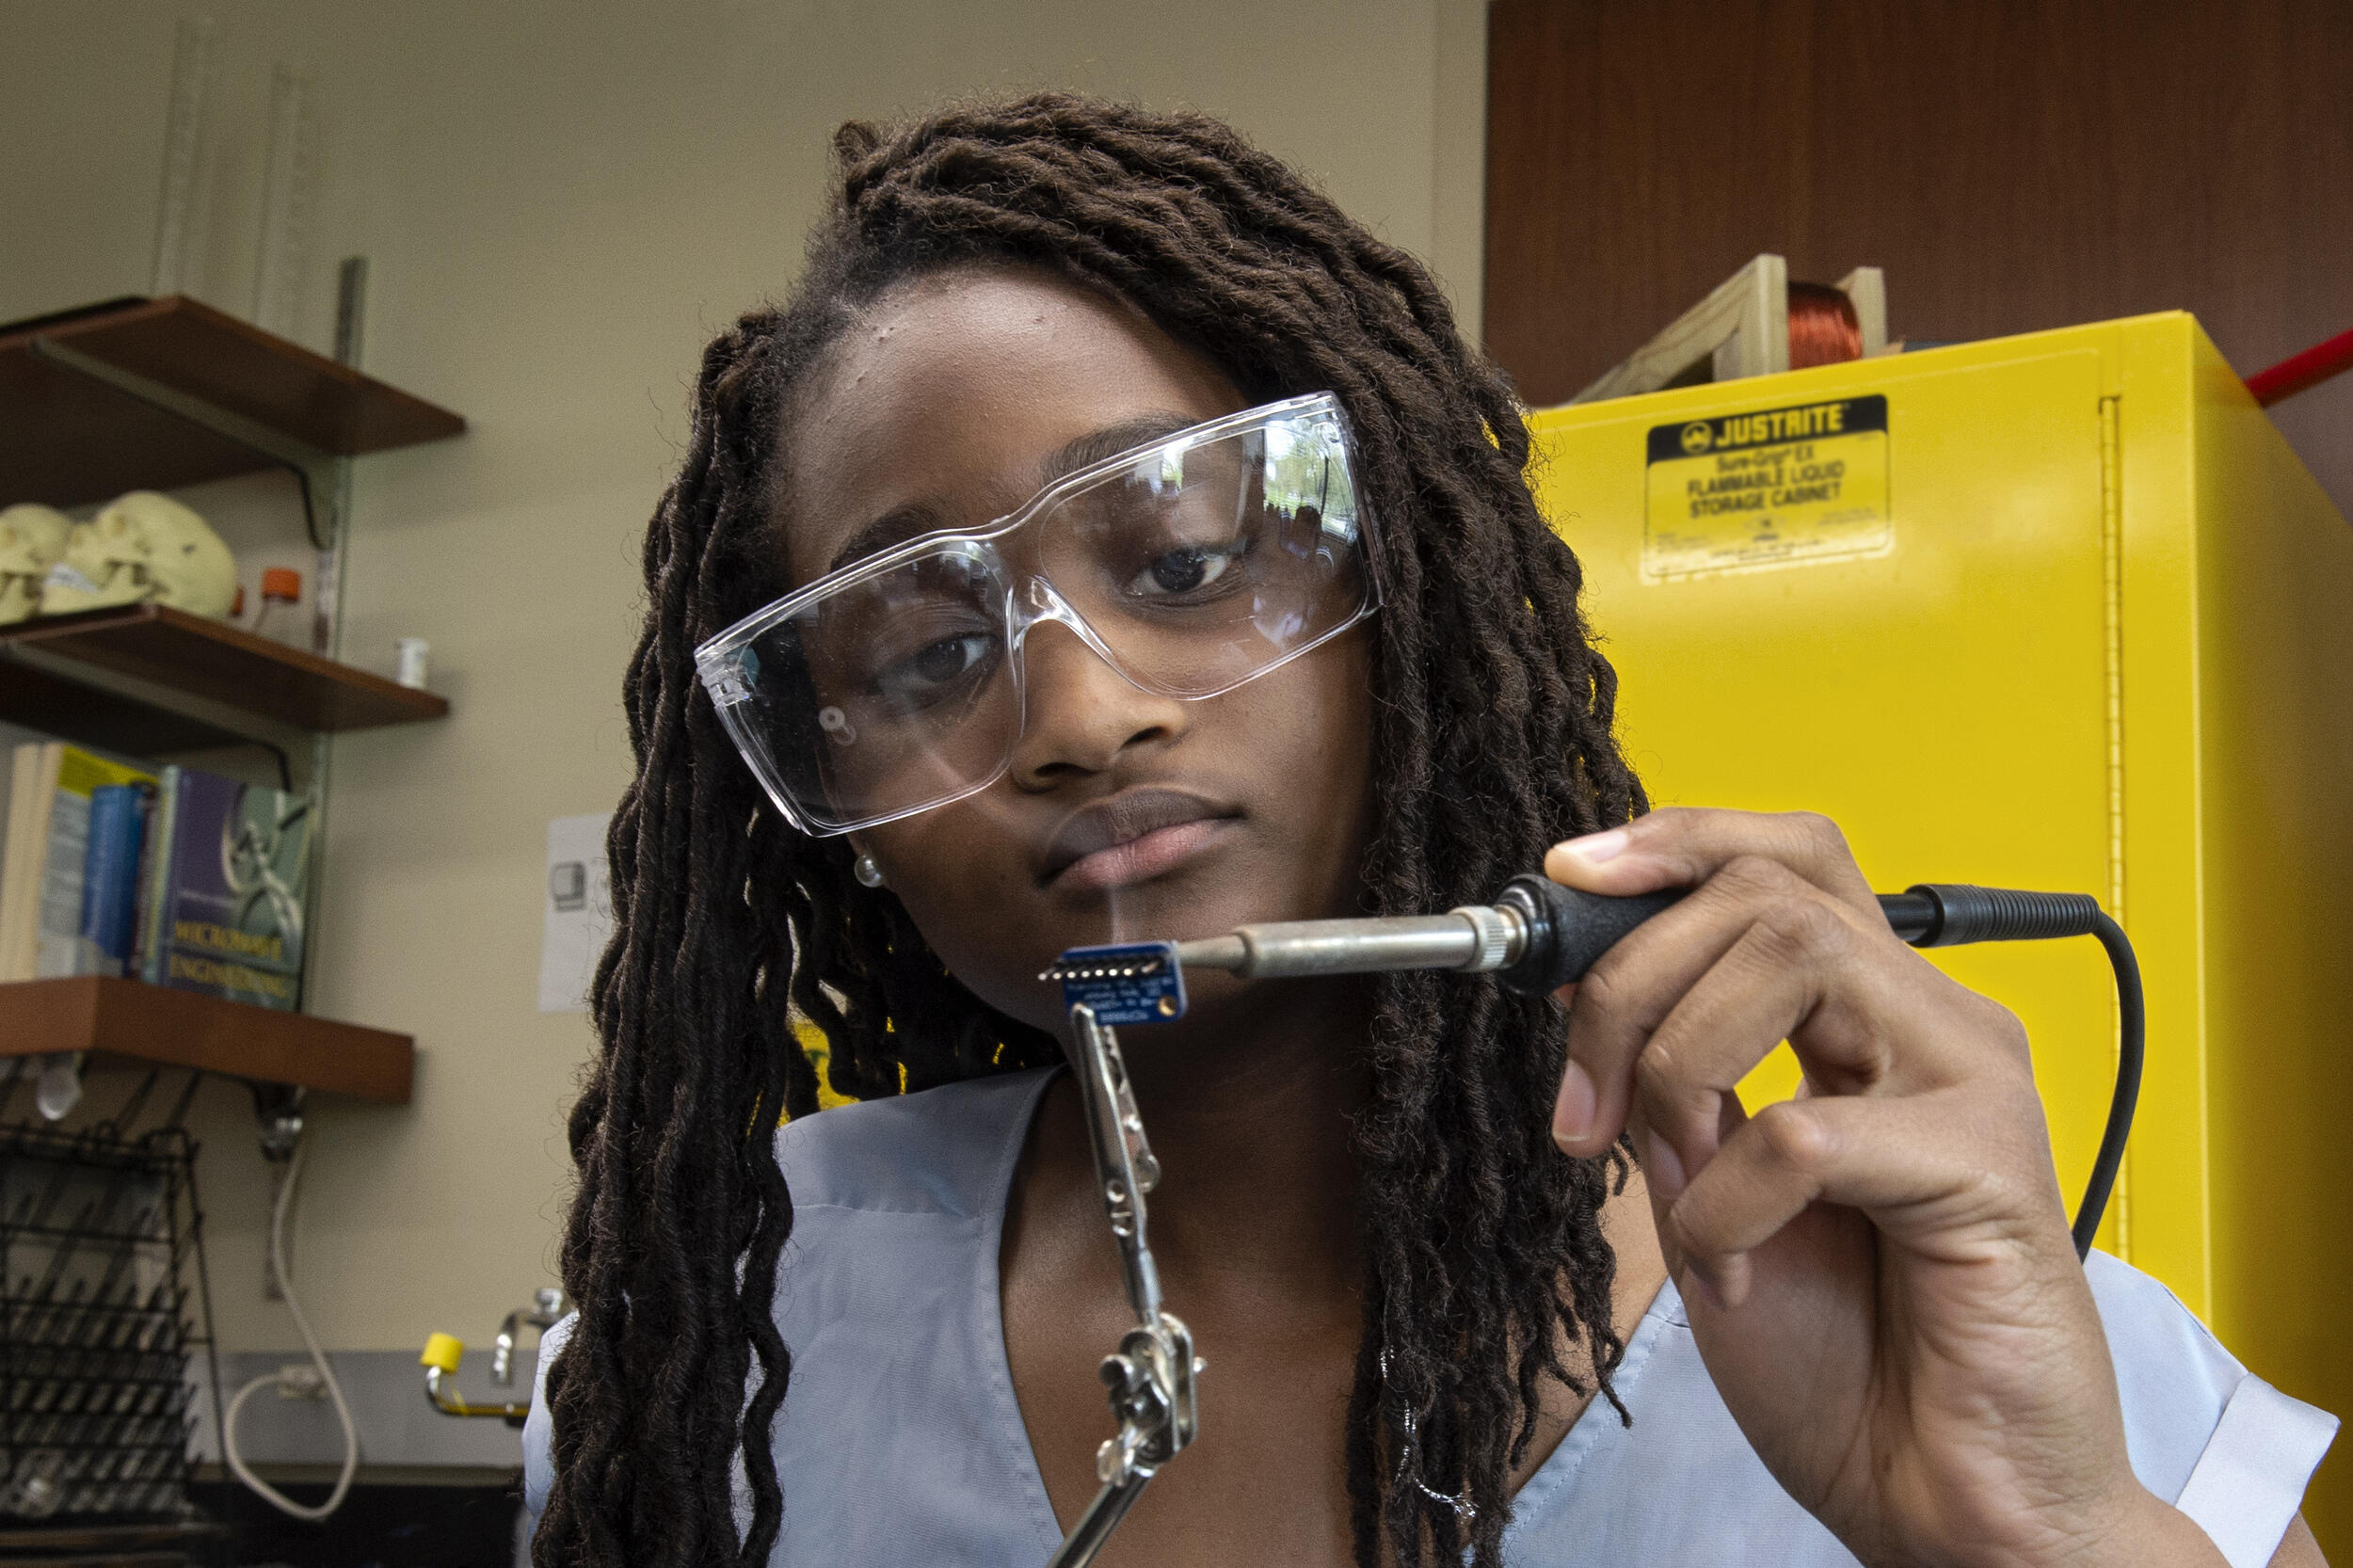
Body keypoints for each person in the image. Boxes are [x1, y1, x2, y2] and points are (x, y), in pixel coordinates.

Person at [521, 93, 2335, 1568]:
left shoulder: (1988, 1331)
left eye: (1183, 561)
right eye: (925, 654)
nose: (1080, 717)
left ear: (1409, 588)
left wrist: (2053, 1537)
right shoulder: (719, 1342)